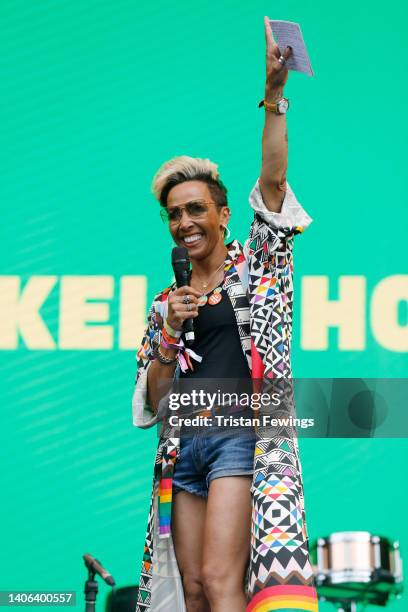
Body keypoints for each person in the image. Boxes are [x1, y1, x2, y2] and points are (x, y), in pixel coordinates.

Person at [133, 16, 318, 612]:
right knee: (190, 592)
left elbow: (275, 179)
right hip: (181, 446)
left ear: (222, 213)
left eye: (195, 209)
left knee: (220, 581)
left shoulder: (256, 267)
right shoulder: (168, 300)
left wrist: (274, 98)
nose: (184, 222)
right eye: (173, 214)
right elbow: (155, 400)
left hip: (242, 437)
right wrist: (168, 334)